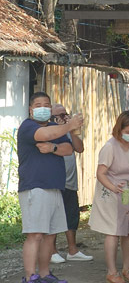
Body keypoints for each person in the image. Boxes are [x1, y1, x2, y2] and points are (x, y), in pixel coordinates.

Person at [16, 92, 83, 283]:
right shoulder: (28, 126)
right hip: (35, 187)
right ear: (30, 109)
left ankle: (44, 275)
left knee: (50, 235)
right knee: (35, 234)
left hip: (55, 187)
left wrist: (53, 146)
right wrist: (69, 126)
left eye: (46, 104)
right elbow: (44, 136)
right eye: (38, 104)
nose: (42, 107)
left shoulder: (55, 129)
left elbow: (68, 149)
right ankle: (29, 279)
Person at [88, 110, 129, 283]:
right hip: (112, 191)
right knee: (113, 230)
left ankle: (127, 268)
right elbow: (101, 173)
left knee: (128, 230)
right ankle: (112, 272)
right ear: (119, 130)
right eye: (128, 132)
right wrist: (114, 188)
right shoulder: (110, 147)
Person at [48, 103, 93, 264]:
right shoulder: (49, 131)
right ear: (52, 118)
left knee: (72, 216)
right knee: (53, 217)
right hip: (55, 182)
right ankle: (52, 251)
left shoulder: (68, 132)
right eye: (60, 115)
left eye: (65, 114)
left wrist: (72, 130)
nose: (65, 117)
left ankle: (72, 250)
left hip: (70, 182)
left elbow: (80, 148)